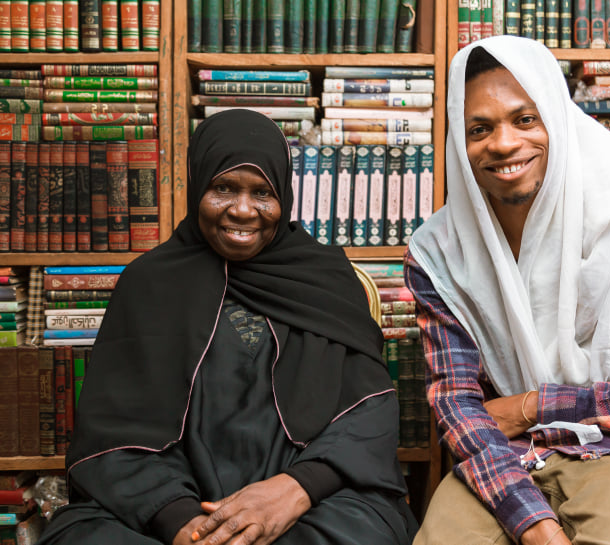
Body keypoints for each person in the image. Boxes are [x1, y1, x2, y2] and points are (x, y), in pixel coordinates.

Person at [36, 109, 418, 545]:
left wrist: (295, 489)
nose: (243, 210)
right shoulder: (149, 284)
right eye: (223, 188)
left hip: (305, 499)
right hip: (166, 506)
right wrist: (184, 524)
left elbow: (369, 411)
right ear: (198, 185)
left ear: (284, 196)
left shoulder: (327, 281)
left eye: (262, 193)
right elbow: (111, 432)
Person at [404, 36, 610, 545]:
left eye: (525, 120)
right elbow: (458, 404)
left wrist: (536, 406)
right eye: (479, 129)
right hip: (496, 456)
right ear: (458, 143)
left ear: (558, 119)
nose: (503, 143)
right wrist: (533, 522)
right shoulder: (439, 254)